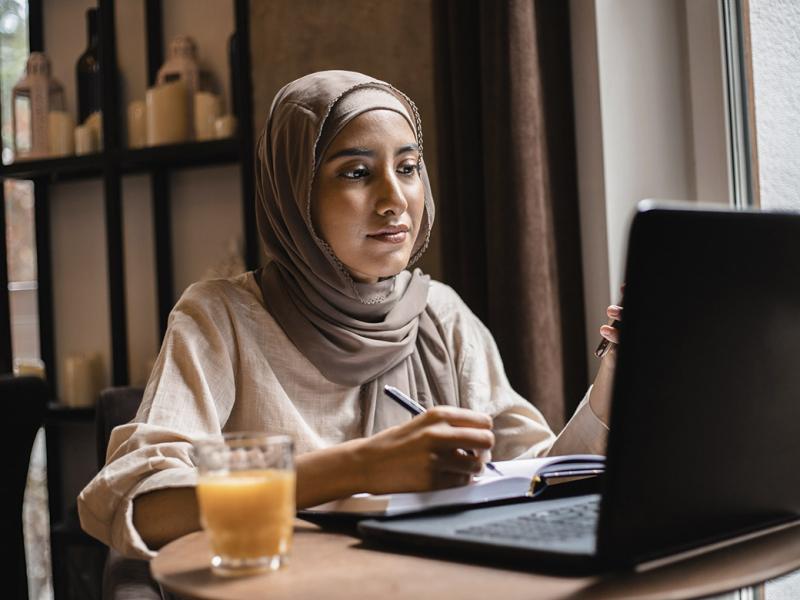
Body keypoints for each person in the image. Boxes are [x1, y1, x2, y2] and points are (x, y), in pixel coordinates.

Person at [78, 70, 622, 560]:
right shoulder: (221, 319)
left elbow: (542, 475)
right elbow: (142, 504)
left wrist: (617, 372)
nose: (395, 199)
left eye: (407, 168)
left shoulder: (441, 314)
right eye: (357, 173)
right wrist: (361, 467)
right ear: (296, 193)